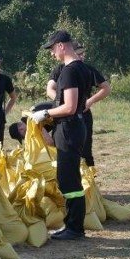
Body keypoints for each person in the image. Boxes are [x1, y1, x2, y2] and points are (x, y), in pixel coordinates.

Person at [32, 30, 93, 240]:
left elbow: (69, 106)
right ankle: (73, 225)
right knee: (70, 178)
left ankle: (75, 228)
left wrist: (46, 113)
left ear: (61, 46)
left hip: (69, 129)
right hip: (75, 127)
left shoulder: (69, 71)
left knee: (69, 180)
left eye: (52, 50)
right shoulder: (83, 68)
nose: (52, 55)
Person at [46, 43, 110, 167]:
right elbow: (50, 89)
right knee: (64, 152)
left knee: (85, 151)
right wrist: (63, 102)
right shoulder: (60, 70)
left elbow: (106, 88)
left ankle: (89, 182)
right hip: (63, 117)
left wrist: (89, 101)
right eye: (79, 53)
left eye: (83, 53)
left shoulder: (87, 69)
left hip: (83, 115)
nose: (82, 56)